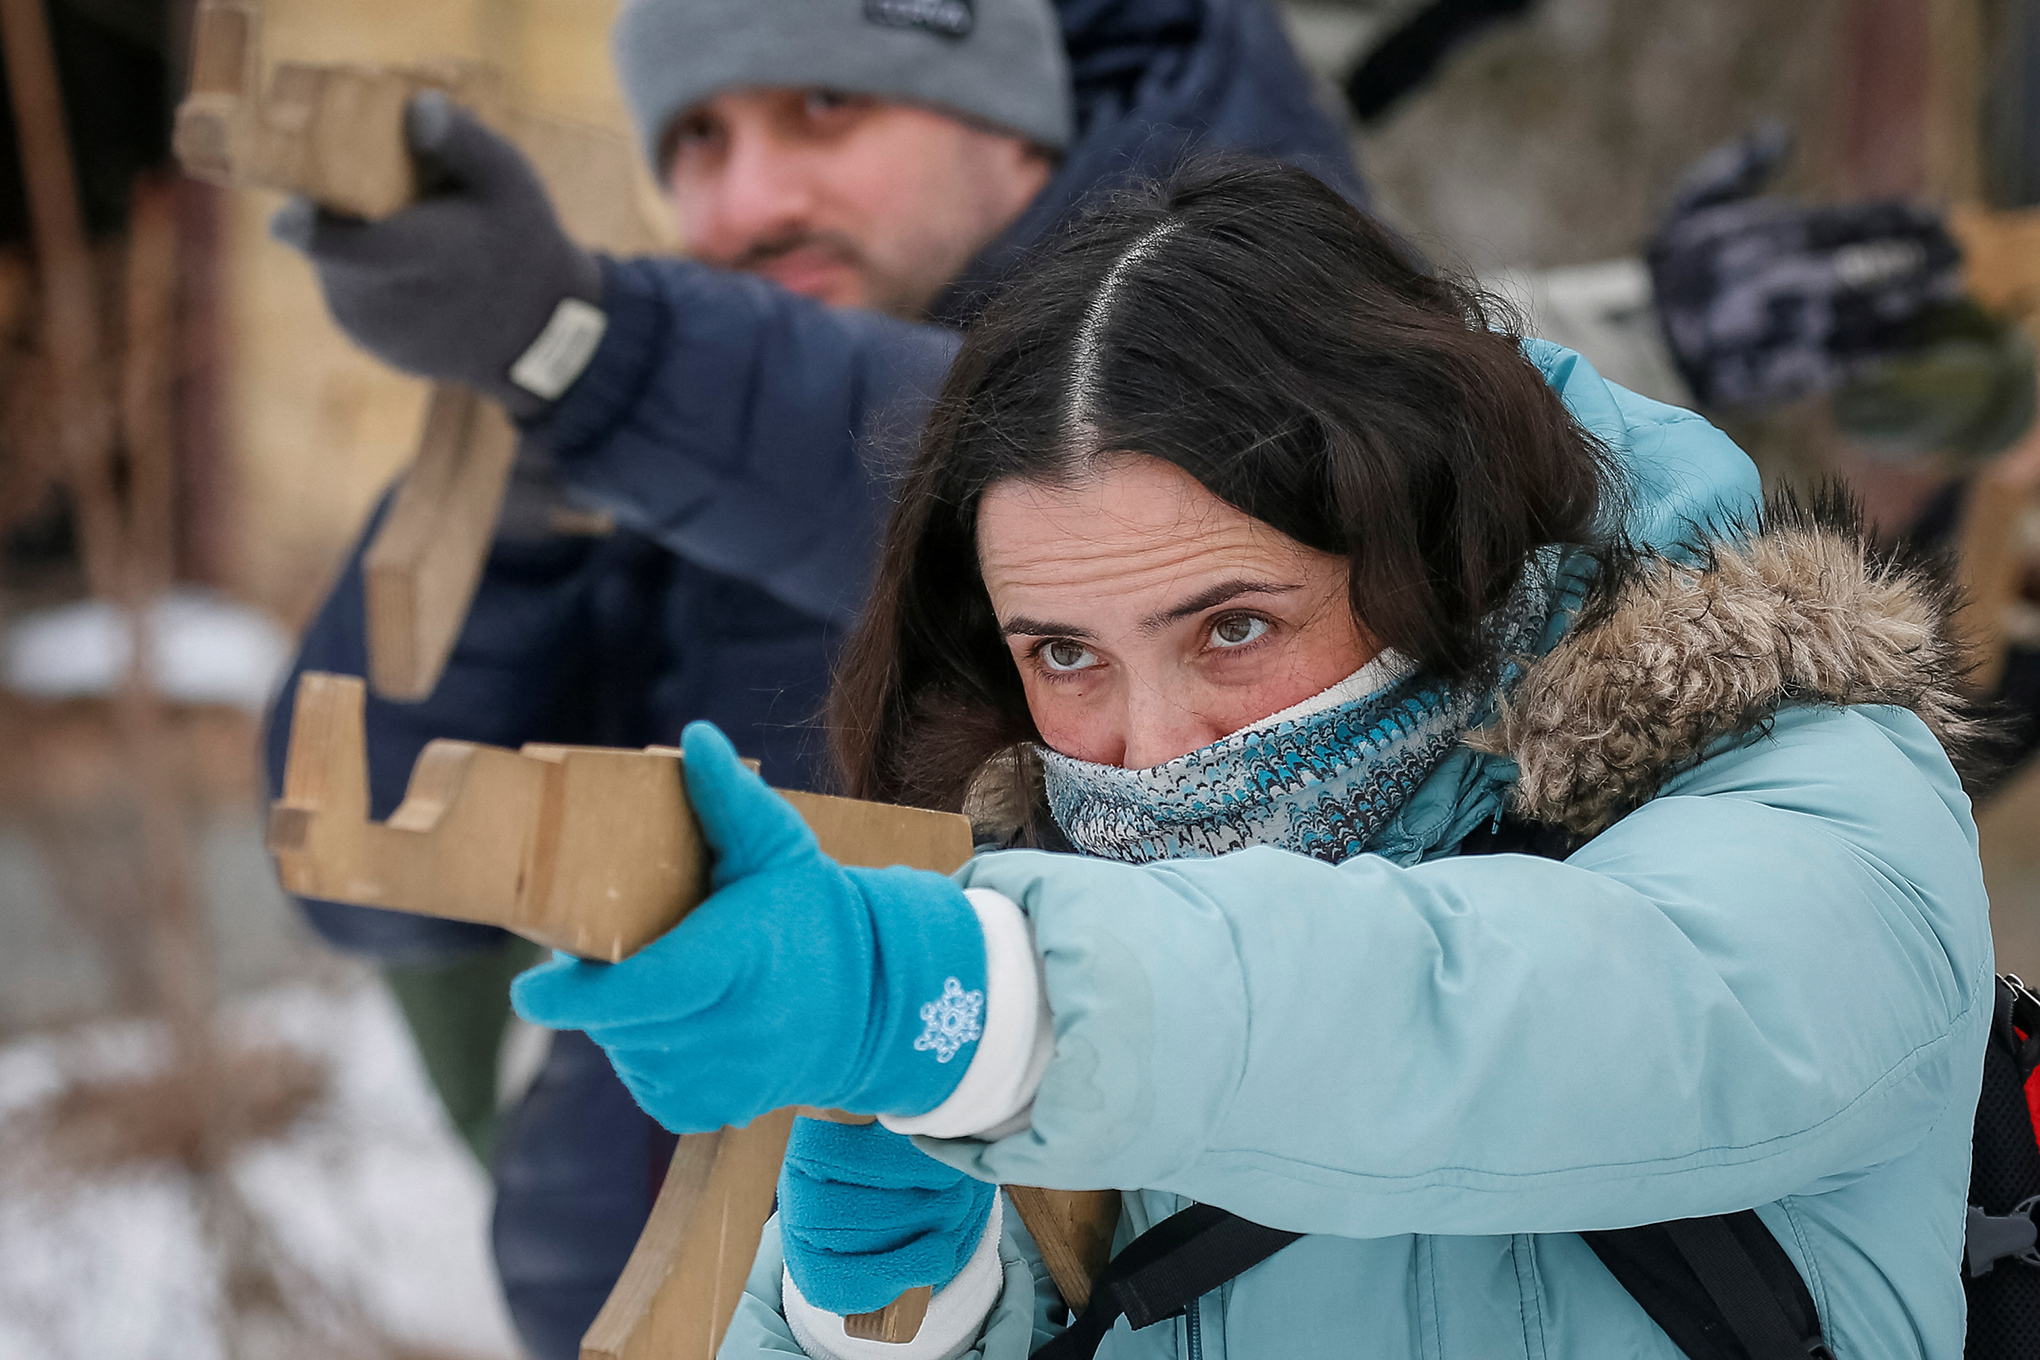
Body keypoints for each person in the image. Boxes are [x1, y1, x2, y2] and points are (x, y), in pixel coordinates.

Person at [514, 160, 1992, 1360]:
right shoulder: (1037, 911)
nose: (1154, 752)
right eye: (1065, 655)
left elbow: (1512, 1012)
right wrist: (897, 1318)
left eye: (1232, 627)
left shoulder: (1814, 804)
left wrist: (987, 1002)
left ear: (1440, 554)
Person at [261, 2, 1361, 1354]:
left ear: (1013, 120)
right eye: (699, 140)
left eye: (824, 110)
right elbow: (367, 864)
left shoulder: (1281, 322)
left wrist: (601, 356)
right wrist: (524, 509)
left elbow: (1021, 472)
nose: (748, 203)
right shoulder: (684, 416)